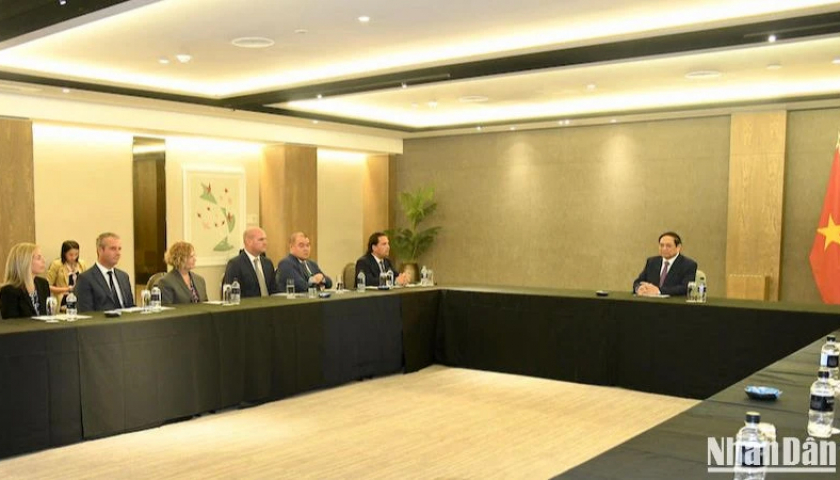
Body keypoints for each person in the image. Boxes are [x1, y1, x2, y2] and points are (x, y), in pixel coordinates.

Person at [75, 232, 135, 311]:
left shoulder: (123, 277)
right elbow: (86, 312)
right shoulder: (85, 279)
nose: (118, 253)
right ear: (100, 250)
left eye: (119, 249)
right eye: (113, 249)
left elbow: (131, 307)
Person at [633, 231, 698, 297]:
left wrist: (659, 291)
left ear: (678, 247)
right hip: (649, 301)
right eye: (661, 245)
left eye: (668, 246)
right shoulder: (652, 262)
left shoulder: (688, 265)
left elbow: (685, 288)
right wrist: (639, 288)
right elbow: (638, 282)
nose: (664, 249)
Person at [222, 226, 278, 297]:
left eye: (265, 239)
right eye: (261, 240)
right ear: (249, 242)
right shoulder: (235, 264)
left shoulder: (268, 263)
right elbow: (232, 294)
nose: (265, 243)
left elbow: (274, 290)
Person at [0, 243, 50, 319]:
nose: (44, 261)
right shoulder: (9, 291)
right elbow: (11, 322)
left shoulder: (43, 284)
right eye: (38, 258)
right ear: (25, 261)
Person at [46, 240, 87, 307]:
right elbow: (47, 286)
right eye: (70, 255)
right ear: (64, 253)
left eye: (76, 254)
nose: (73, 257)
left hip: (79, 298)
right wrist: (67, 289)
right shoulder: (56, 265)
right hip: (63, 299)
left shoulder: (81, 264)